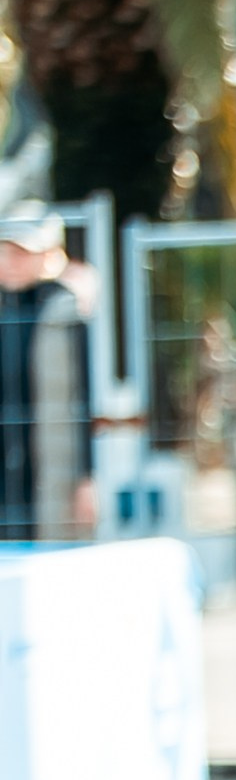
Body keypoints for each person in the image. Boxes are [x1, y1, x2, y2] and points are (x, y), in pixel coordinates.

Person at [0, 204, 89, 542]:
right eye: (5, 251)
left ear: (50, 255)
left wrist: (85, 477)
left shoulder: (68, 310)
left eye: (22, 252)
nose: (10, 261)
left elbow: (83, 399)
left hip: (49, 468)